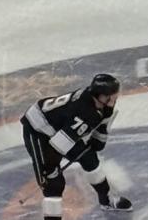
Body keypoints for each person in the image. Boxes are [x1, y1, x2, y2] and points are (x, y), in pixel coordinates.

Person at [21, 74, 133, 218]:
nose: (115, 98)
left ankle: (106, 201)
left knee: (90, 159)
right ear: (101, 96)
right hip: (37, 129)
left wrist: (93, 145)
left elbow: (98, 138)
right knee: (53, 183)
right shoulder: (84, 112)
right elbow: (58, 146)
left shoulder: (102, 104)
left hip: (60, 126)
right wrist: (50, 170)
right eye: (111, 95)